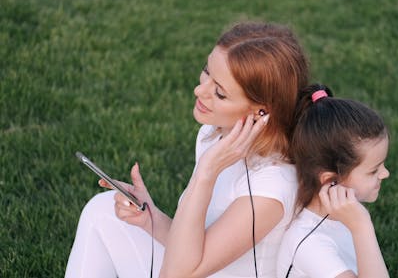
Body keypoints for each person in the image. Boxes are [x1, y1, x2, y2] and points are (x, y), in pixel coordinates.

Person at [65, 21, 309, 278]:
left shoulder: (271, 187)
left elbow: (176, 273)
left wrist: (207, 171)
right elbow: (192, 249)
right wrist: (152, 219)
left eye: (220, 92)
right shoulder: (212, 136)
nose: (199, 90)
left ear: (260, 111)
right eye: (207, 71)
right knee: (102, 210)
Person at [276, 84, 390, 278]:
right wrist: (362, 228)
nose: (385, 174)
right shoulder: (311, 245)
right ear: (331, 181)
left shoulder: (341, 214)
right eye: (373, 171)